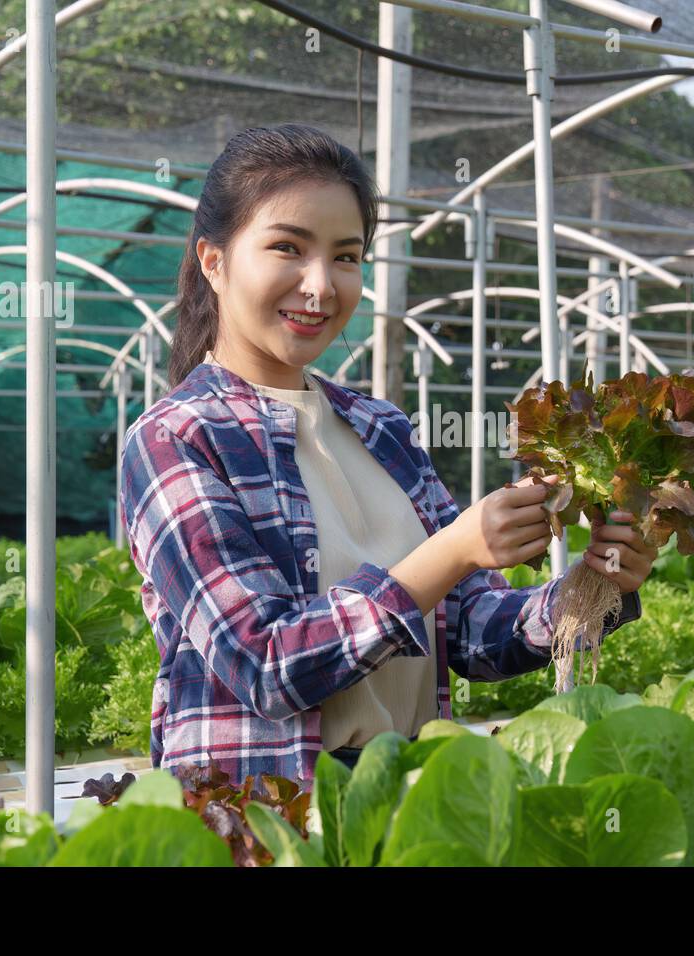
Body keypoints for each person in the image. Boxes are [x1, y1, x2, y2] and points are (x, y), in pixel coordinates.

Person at [119, 123, 657, 788]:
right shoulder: (176, 437)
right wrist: (454, 549)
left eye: (346, 257)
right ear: (214, 259)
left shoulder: (381, 430)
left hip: (406, 799)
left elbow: (472, 635)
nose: (320, 286)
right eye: (288, 247)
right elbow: (266, 663)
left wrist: (596, 585)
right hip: (267, 824)